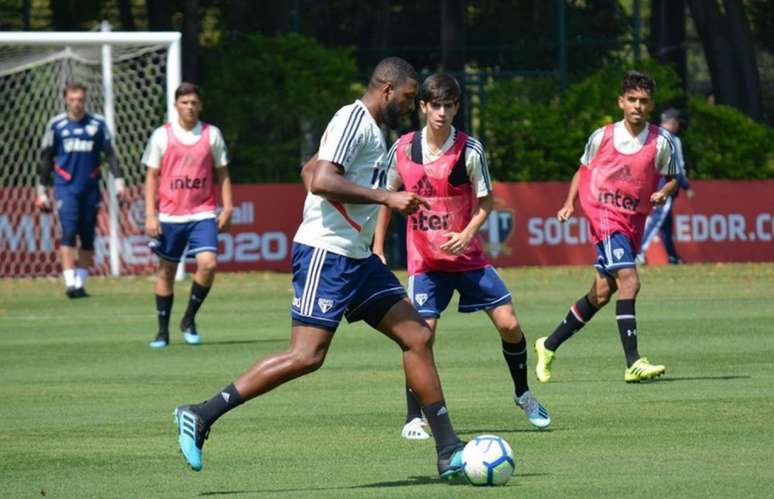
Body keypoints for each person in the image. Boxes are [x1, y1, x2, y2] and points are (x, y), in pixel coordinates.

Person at [172, 58, 467, 480]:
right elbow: (323, 180)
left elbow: (309, 169)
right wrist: (386, 199)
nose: (410, 105)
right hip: (326, 254)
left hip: (358, 258)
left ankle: (448, 452)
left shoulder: (365, 128)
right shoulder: (354, 119)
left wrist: (352, 192)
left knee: (417, 335)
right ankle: (201, 413)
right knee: (306, 355)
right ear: (386, 90)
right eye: (406, 97)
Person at [373, 73, 550, 441]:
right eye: (434, 105)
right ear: (422, 107)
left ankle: (523, 394)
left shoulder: (470, 150)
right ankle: (412, 417)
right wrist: (377, 248)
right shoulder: (402, 149)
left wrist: (467, 233)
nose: (441, 112)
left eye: (448, 105)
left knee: (509, 325)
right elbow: (384, 199)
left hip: (468, 258)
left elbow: (486, 202)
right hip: (425, 263)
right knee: (420, 337)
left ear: (456, 107)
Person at [534, 71, 678, 384]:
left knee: (602, 293)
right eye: (632, 100)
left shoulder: (661, 141)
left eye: (644, 101)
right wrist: (569, 203)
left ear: (651, 105)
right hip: (604, 216)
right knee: (630, 281)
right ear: (621, 102)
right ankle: (633, 362)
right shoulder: (603, 137)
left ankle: (548, 344)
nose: (638, 105)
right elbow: (582, 171)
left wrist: (662, 193)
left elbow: (674, 177)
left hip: (633, 222)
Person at [143, 82, 233, 348]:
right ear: (176, 106)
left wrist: (228, 208)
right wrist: (150, 214)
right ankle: (162, 331)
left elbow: (223, 173)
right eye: (184, 103)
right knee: (166, 272)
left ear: (200, 105)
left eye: (194, 102)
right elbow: (151, 177)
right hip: (170, 215)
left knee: (208, 264)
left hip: (203, 212)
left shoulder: (211, 134)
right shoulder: (161, 136)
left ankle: (189, 319)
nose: (189, 107)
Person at [36, 82, 126, 298]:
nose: (76, 103)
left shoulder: (97, 124)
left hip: (91, 187)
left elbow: (110, 154)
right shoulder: (56, 125)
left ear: (85, 100)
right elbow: (46, 158)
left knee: (87, 236)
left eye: (80, 100)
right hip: (65, 187)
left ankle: (80, 283)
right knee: (68, 230)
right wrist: (41, 191)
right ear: (66, 99)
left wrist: (119, 181)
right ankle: (69, 283)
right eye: (72, 99)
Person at [637, 108, 694, 265]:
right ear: (673, 123)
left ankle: (672, 257)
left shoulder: (652, 135)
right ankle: (639, 252)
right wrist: (686, 186)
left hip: (651, 183)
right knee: (657, 219)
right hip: (665, 186)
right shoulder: (672, 139)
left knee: (666, 224)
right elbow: (677, 167)